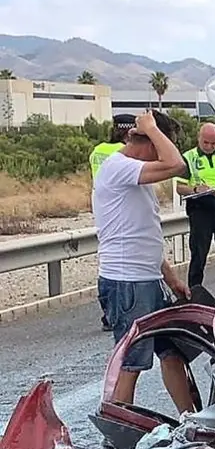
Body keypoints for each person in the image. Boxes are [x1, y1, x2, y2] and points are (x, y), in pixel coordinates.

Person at [94, 110, 195, 412]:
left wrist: (171, 277)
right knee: (132, 362)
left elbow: (143, 232)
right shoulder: (119, 168)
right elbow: (177, 164)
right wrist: (152, 128)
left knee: (172, 353)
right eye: (161, 141)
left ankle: (193, 421)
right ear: (151, 142)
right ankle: (120, 431)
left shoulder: (135, 176)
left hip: (147, 279)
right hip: (127, 282)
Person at [89, 114, 136, 331]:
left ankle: (107, 312)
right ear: (129, 132)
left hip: (102, 204)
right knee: (123, 258)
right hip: (122, 204)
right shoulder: (122, 153)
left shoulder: (97, 150)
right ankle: (119, 312)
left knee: (107, 256)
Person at [176, 122, 215, 289]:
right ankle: (195, 293)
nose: (209, 146)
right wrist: (196, 189)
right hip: (200, 210)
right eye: (206, 142)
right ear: (199, 138)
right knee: (199, 255)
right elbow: (179, 188)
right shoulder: (188, 157)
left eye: (213, 143)